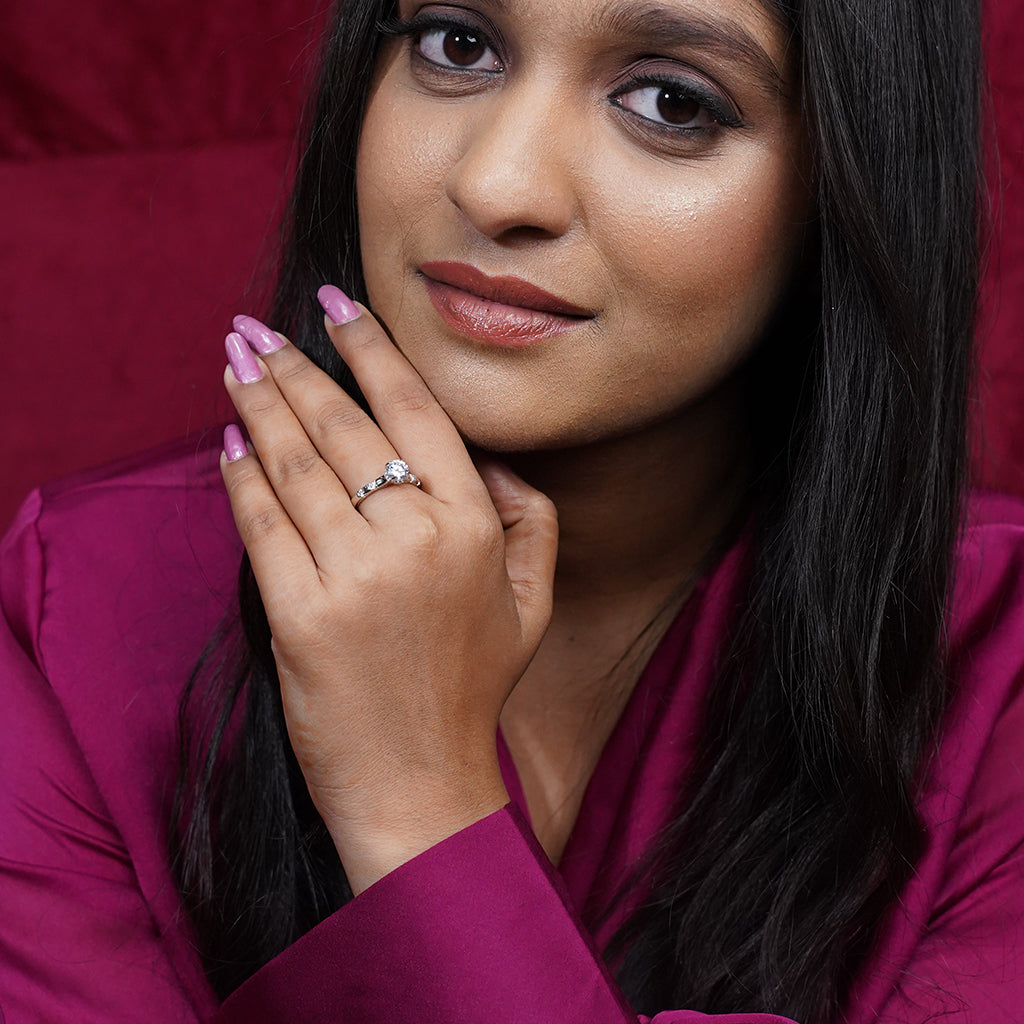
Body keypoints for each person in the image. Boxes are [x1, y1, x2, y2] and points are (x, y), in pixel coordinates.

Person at [2, 0, 1021, 1021]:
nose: (496, 185)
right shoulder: (71, 606)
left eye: (672, 102)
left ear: (847, 181)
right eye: (458, 44)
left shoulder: (997, 661)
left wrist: (417, 802)